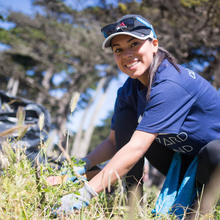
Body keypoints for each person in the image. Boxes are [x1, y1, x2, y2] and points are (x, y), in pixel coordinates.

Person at [55, 14, 220, 217]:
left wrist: (85, 194)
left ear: (154, 45)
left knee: (215, 152)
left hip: (214, 161)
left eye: (134, 44)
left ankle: (198, 211)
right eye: (119, 50)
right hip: (188, 160)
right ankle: (132, 204)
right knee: (130, 134)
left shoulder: (170, 83)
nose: (127, 54)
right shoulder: (128, 91)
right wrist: (78, 167)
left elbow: (137, 147)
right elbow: (114, 142)